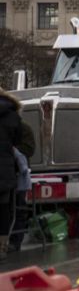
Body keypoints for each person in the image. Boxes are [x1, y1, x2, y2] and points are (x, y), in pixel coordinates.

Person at [0, 88, 23, 261]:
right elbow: (17, 141)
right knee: (4, 210)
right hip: (5, 170)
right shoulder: (13, 115)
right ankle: (2, 246)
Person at [9, 122, 35, 253]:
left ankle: (15, 241)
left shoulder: (23, 128)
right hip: (8, 174)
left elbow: (29, 149)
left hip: (18, 175)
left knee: (18, 209)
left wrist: (11, 150)